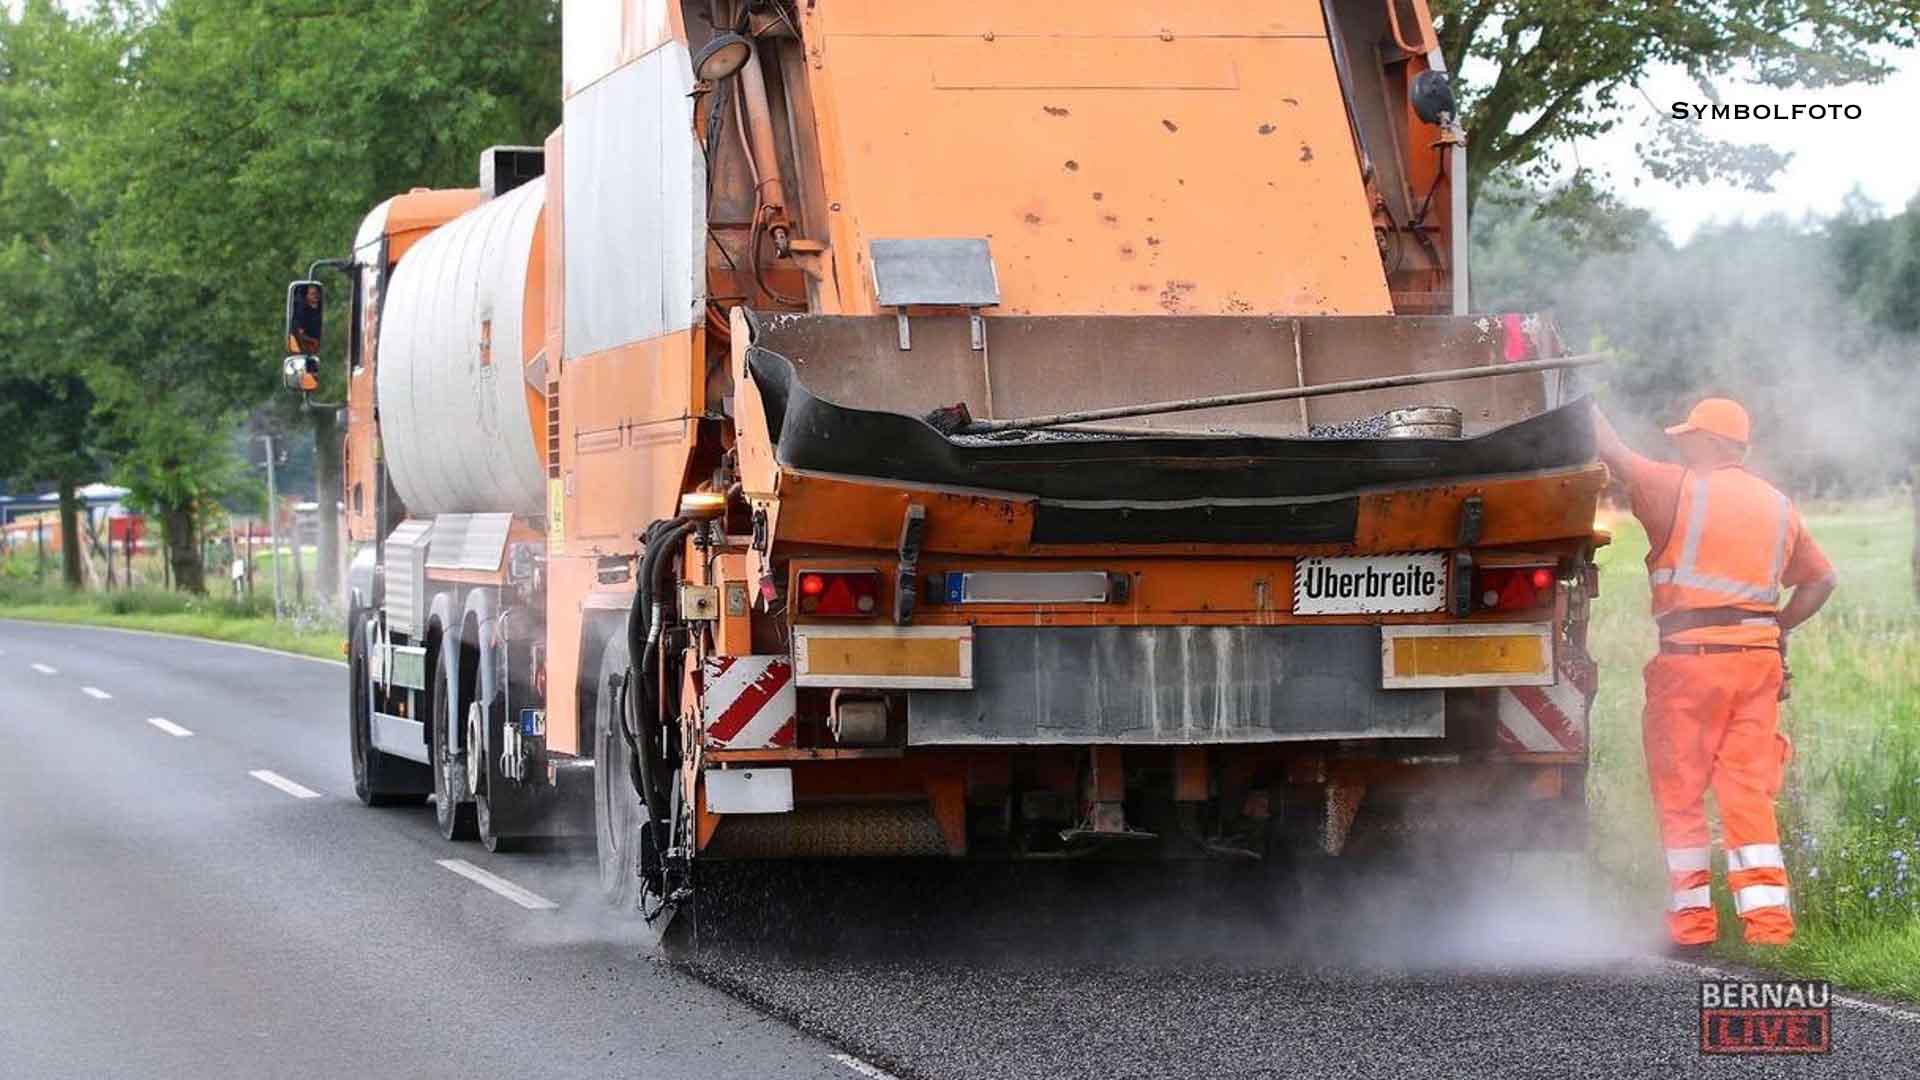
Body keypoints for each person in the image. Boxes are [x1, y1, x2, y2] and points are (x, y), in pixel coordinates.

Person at [1592, 397, 1837, 951]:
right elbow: (1822, 580)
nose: (1680, 444)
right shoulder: (1778, 505)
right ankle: (1769, 930)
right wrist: (1776, 627)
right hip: (1757, 668)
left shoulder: (1676, 488)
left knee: (1680, 793)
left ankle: (1693, 925)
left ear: (1712, 443)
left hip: (1690, 665)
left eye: (1688, 437)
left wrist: (1575, 392)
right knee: (1748, 793)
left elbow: (1611, 451)